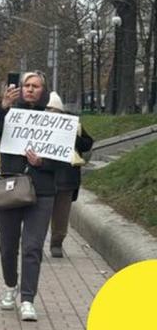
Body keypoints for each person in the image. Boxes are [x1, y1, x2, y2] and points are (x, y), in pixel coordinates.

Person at [0, 71, 56, 321]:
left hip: (42, 190)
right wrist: (1, 106)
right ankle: (10, 285)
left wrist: (42, 162)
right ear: (20, 88)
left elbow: (65, 161)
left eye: (36, 86)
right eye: (27, 85)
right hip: (10, 186)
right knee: (8, 246)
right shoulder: (8, 113)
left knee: (33, 247)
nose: (31, 90)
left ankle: (27, 299)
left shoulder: (54, 118)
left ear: (43, 90)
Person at [46, 92, 94, 258]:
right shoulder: (38, 123)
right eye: (47, 109)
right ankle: (34, 244)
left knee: (61, 213)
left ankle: (57, 243)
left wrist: (72, 136)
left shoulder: (73, 124)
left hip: (65, 178)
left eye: (53, 109)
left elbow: (88, 144)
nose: (50, 112)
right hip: (42, 176)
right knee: (39, 214)